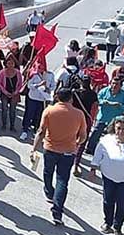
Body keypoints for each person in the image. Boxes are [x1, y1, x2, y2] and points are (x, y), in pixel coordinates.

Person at [31, 88, 87, 226]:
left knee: (47, 172)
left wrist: (33, 149)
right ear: (71, 99)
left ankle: (49, 191)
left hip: (50, 149)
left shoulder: (49, 111)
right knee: (62, 180)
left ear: (57, 97)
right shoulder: (79, 114)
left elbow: (41, 131)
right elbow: (83, 135)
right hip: (68, 152)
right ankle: (57, 211)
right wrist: (77, 143)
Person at [86, 77, 124, 155]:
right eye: (113, 83)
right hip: (103, 117)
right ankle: (90, 148)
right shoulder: (105, 91)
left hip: (115, 119)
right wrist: (105, 102)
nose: (114, 85)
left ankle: (108, 151)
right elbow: (98, 99)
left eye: (116, 84)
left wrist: (120, 105)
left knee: (112, 137)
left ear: (120, 86)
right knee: (96, 133)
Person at [20, 61, 55, 141]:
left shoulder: (50, 75)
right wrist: (38, 85)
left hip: (43, 98)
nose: (40, 69)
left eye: (42, 68)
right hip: (33, 97)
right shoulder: (33, 74)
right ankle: (25, 129)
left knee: (39, 114)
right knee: (29, 113)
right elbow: (29, 85)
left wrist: (48, 88)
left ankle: (36, 129)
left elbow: (53, 85)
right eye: (38, 68)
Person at [71, 75, 99, 177]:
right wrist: (93, 119)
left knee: (72, 137)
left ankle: (69, 155)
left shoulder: (75, 92)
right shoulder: (93, 94)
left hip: (74, 118)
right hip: (85, 119)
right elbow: (95, 108)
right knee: (82, 141)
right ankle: (76, 163)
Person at [0, 55, 23, 131]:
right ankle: (4, 125)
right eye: (9, 63)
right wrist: (5, 92)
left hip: (14, 94)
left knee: (13, 110)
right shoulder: (2, 72)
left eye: (12, 63)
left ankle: (12, 126)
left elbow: (20, 83)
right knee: (4, 109)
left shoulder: (18, 73)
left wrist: (16, 92)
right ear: (6, 64)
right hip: (5, 94)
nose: (11, 65)